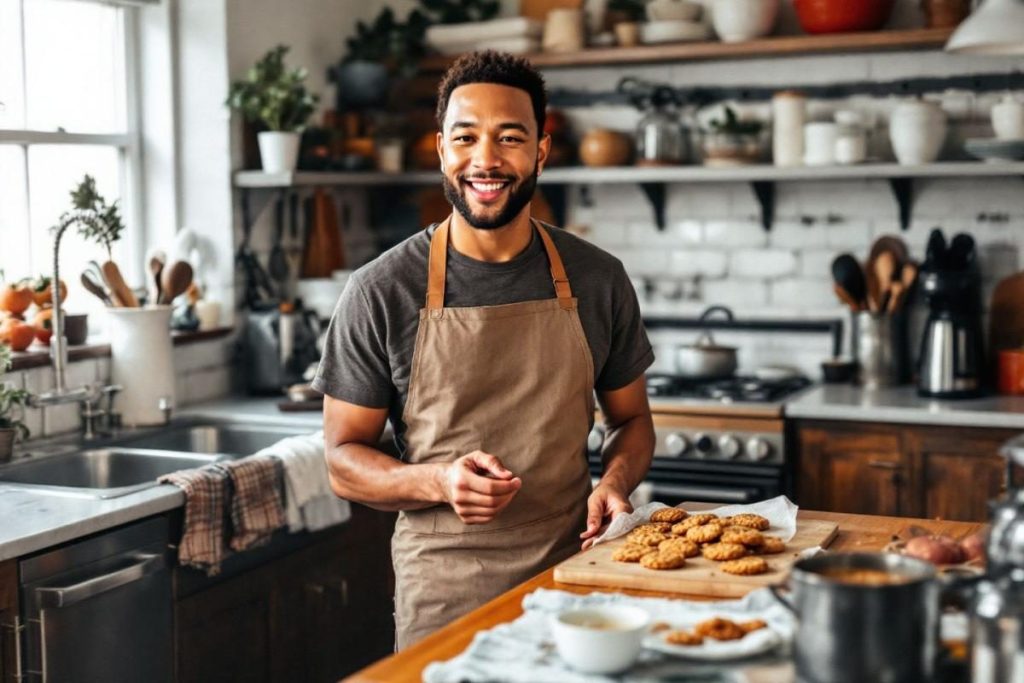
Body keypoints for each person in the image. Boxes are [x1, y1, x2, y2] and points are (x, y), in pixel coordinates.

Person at [313, 50, 655, 649]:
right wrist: (440, 482)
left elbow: (631, 420)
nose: (487, 160)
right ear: (441, 149)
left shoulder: (598, 279)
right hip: (444, 590)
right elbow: (343, 460)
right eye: (466, 137)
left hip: (574, 575)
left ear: (541, 152)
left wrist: (615, 481)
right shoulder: (381, 290)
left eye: (510, 138)